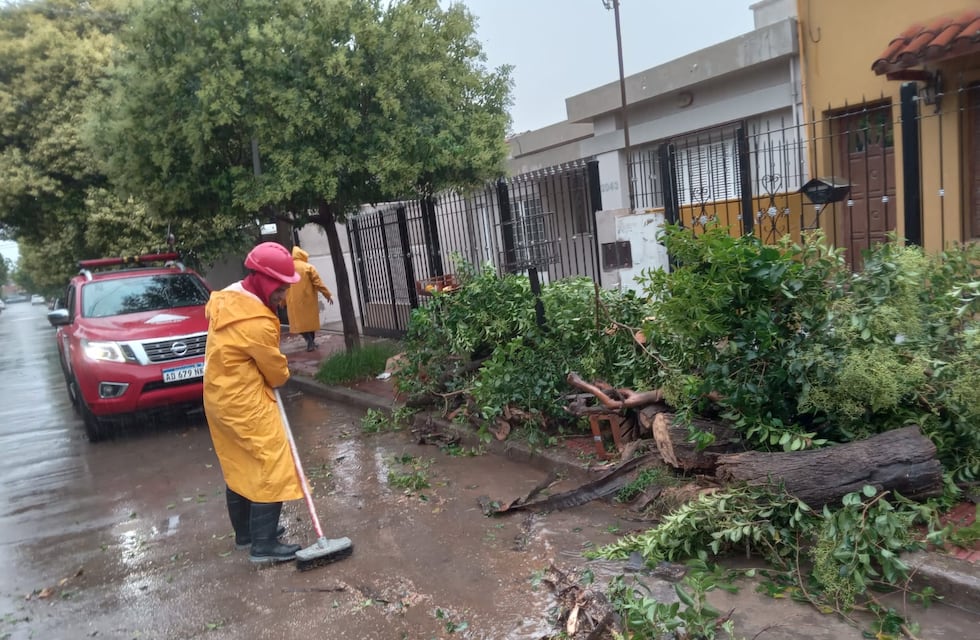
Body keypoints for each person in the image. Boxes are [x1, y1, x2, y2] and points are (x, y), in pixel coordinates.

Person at [203, 242, 305, 564]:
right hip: (245, 402)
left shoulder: (229, 300)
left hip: (219, 398)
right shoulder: (256, 323)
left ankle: (246, 535)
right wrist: (282, 373)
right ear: (262, 279)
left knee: (239, 462)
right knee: (270, 462)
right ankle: (263, 545)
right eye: (280, 288)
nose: (283, 297)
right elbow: (275, 373)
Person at [285, 246, 333, 351]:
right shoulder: (308, 267)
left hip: (293, 301)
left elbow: (283, 285)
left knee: (298, 324)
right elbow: (318, 283)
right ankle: (311, 342)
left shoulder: (287, 268)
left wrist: (282, 301)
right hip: (308, 300)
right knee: (310, 323)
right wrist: (327, 294)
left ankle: (309, 341)